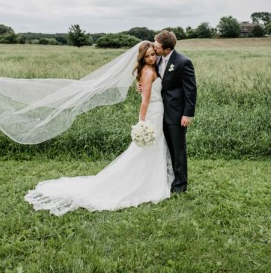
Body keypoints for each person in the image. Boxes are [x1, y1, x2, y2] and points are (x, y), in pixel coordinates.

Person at [23, 41, 174, 216]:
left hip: (158, 111)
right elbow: (145, 100)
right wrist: (142, 123)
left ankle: (152, 179)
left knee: (152, 149)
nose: (150, 58)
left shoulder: (155, 68)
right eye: (146, 56)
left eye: (152, 54)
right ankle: (147, 182)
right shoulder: (148, 72)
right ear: (141, 57)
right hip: (152, 114)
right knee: (145, 149)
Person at [153, 30, 197, 193]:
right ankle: (167, 177)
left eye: (157, 46)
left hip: (176, 113)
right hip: (158, 111)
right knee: (163, 147)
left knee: (177, 149)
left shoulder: (183, 62)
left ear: (167, 48)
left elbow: (190, 90)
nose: (154, 48)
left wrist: (188, 114)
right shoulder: (155, 59)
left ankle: (180, 184)